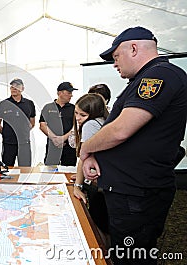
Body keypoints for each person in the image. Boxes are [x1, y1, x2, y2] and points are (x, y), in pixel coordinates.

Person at [80, 26, 187, 265]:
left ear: (134, 48)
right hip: (130, 190)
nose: (115, 64)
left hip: (137, 192)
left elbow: (120, 130)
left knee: (131, 259)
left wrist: (86, 148)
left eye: (116, 57)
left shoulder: (159, 76)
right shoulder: (145, 78)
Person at [71, 93, 109, 246]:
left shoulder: (90, 125)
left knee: (96, 226)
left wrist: (78, 186)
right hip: (108, 180)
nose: (78, 118)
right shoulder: (104, 120)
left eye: (82, 114)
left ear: (93, 113)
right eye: (76, 113)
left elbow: (83, 157)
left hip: (98, 184)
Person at [0, 78, 36, 166]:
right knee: (7, 169)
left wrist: (23, 132)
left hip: (24, 143)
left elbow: (32, 123)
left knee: (25, 169)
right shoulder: (3, 104)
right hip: (8, 143)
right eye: (12, 86)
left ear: (22, 88)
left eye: (17, 86)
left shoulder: (29, 104)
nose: (14, 88)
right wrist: (6, 133)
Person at [39, 82, 77, 166]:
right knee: (50, 171)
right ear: (59, 93)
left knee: (69, 172)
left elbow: (76, 126)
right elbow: (43, 125)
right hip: (52, 146)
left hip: (69, 146)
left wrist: (63, 138)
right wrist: (55, 139)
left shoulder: (74, 108)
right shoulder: (48, 107)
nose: (71, 95)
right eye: (69, 93)